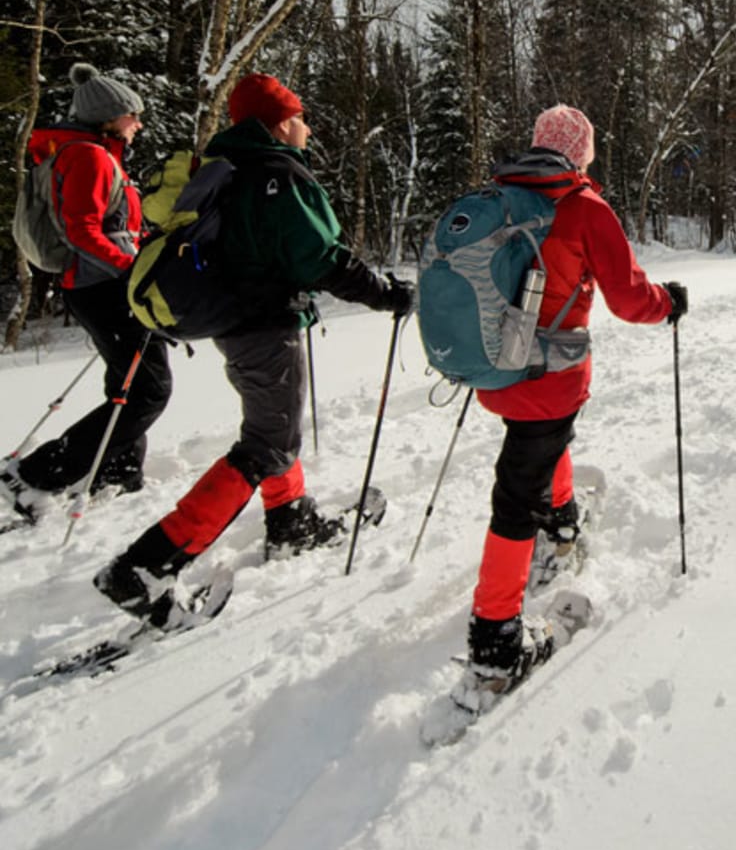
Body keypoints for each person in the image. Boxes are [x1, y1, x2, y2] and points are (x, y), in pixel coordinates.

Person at [93, 72, 413, 627]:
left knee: (275, 427)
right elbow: (320, 256)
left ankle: (291, 519)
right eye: (301, 117)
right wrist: (386, 294)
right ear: (281, 121)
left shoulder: (230, 167)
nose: (307, 127)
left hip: (239, 323)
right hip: (263, 325)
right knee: (266, 443)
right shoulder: (273, 174)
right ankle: (145, 567)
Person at [461, 104, 688, 692]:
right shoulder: (584, 207)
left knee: (540, 443)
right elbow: (632, 300)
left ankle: (561, 519)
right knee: (515, 495)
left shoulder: (497, 198)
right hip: (550, 377)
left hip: (493, 371)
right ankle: (495, 641)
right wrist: (669, 301)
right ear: (581, 154)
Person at [1, 63, 172, 522]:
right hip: (104, 287)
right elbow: (83, 230)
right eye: (131, 115)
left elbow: (112, 227)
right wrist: (133, 269)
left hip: (101, 285)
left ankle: (116, 472)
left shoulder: (97, 154)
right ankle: (35, 476)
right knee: (150, 390)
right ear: (108, 116)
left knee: (130, 383)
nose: (138, 123)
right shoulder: (90, 157)